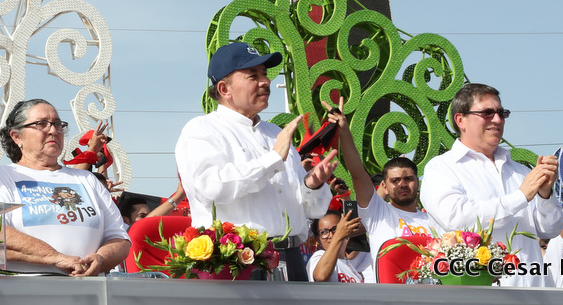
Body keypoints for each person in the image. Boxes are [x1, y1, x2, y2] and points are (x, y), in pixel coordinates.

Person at [174, 41, 337, 281]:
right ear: (224, 89)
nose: (265, 82)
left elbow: (312, 210)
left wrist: (313, 186)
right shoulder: (202, 130)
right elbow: (211, 188)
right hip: (235, 265)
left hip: (292, 258)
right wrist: (273, 159)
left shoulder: (275, 133)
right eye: (253, 76)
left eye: (264, 74)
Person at [420, 83, 563, 287]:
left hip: (535, 291)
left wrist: (544, 194)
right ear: (460, 120)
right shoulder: (441, 168)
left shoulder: (520, 171)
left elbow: (551, 230)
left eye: (501, 113)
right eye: (487, 113)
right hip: (478, 294)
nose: (497, 120)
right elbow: (456, 218)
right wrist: (520, 197)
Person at [0, 99, 130, 275]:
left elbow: (119, 238)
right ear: (17, 136)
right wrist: (54, 257)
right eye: (41, 124)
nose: (53, 130)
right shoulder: (0, 177)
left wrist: (101, 259)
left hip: (88, 287)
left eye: (58, 124)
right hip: (21, 287)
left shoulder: (87, 179)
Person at [330, 97, 441, 283]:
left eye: (408, 179)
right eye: (395, 180)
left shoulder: (435, 220)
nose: (402, 184)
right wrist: (344, 133)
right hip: (391, 295)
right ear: (385, 187)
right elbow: (358, 173)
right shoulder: (377, 213)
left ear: (417, 183)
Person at [307, 211, 366, 283]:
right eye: (324, 232)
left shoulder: (350, 267)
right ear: (317, 239)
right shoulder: (319, 256)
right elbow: (321, 277)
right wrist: (338, 237)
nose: (331, 235)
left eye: (335, 229)